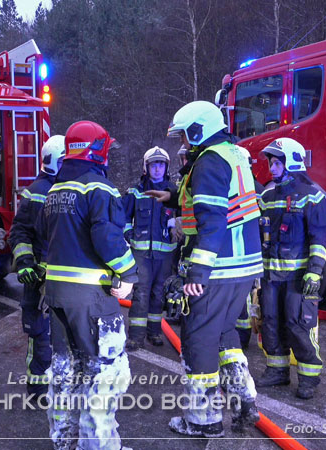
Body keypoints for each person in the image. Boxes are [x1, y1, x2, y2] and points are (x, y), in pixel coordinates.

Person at [147, 101, 263, 437]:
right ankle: (245, 404)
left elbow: (212, 220)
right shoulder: (233, 154)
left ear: (200, 128)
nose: (183, 142)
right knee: (224, 334)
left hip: (217, 269)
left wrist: (196, 274)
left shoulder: (209, 161)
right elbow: (222, 202)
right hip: (241, 267)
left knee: (197, 340)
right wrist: (170, 198)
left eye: (185, 135)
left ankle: (203, 420)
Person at [36, 120, 136, 450]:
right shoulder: (99, 188)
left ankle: (64, 442)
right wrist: (129, 273)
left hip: (57, 296)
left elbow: (42, 234)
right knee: (104, 374)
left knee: (65, 372)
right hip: (92, 297)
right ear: (98, 152)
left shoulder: (53, 191)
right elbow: (108, 239)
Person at [255, 137, 326, 400]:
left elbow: (320, 237)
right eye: (271, 163)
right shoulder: (266, 196)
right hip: (270, 277)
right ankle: (277, 370)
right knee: (271, 322)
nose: (272, 168)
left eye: (277, 163)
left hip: (298, 277)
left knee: (299, 324)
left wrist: (315, 270)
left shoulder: (312, 195)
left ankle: (309, 377)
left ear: (293, 162)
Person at [8, 134, 66, 399]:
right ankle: (38, 389)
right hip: (40, 280)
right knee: (41, 337)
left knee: (65, 336)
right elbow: (20, 231)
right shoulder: (38, 191)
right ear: (53, 162)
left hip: (64, 279)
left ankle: (59, 385)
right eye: (65, 160)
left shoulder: (72, 188)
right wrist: (25, 263)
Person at [122, 146, 176, 350]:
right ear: (146, 167)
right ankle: (136, 336)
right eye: (154, 165)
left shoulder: (173, 193)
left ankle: (154, 333)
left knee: (158, 294)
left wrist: (177, 224)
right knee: (141, 293)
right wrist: (129, 235)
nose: (157, 169)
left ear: (166, 167)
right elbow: (125, 218)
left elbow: (183, 217)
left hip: (165, 254)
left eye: (161, 164)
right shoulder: (135, 192)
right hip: (142, 254)